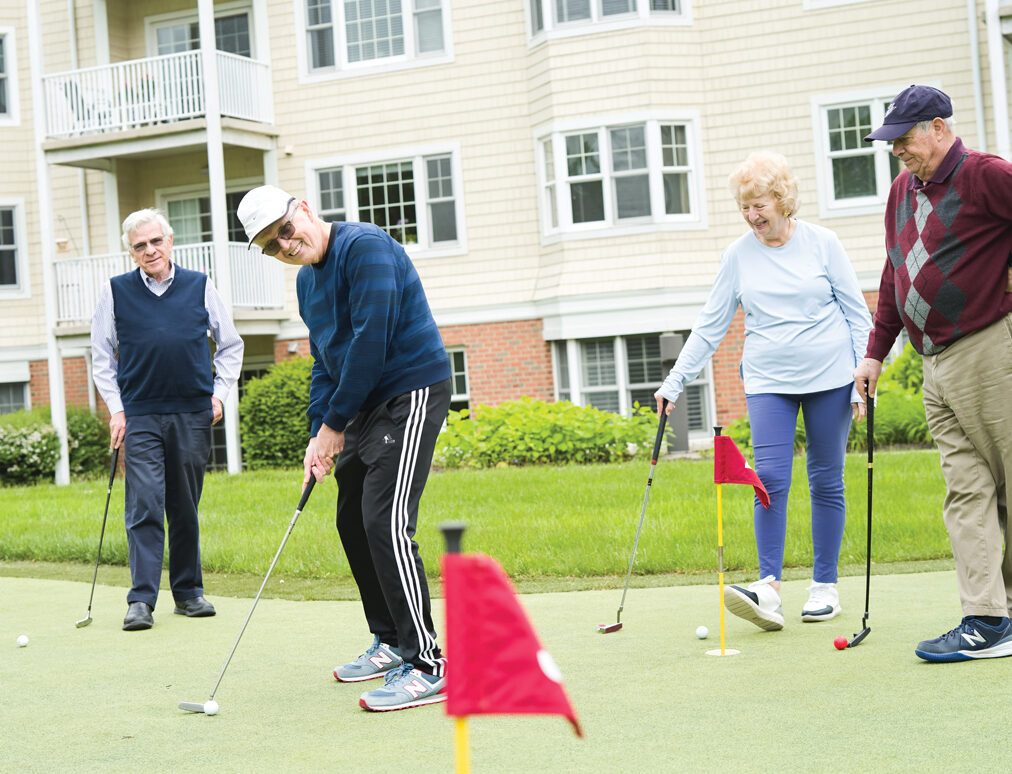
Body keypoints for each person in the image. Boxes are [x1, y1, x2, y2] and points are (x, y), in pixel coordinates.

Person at [237, 185, 452, 711]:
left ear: (305, 208)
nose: (285, 245)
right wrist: (319, 431)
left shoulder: (365, 246)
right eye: (271, 245)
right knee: (352, 520)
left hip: (410, 390)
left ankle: (428, 662)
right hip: (363, 403)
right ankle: (392, 642)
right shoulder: (308, 284)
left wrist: (336, 425)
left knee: (386, 520)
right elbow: (325, 362)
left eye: (285, 230)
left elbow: (370, 340)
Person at [654, 152, 872, 631]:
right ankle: (768, 588)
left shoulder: (823, 243)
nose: (753, 216)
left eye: (760, 205)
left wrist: (862, 382)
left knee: (825, 479)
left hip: (831, 378)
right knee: (768, 480)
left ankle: (824, 586)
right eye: (744, 207)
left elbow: (858, 315)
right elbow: (710, 327)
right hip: (769, 380)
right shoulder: (738, 255)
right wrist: (674, 383)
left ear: (782, 199)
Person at [856, 84, 1012, 662]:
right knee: (965, 492)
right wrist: (875, 352)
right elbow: (896, 273)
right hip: (934, 363)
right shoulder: (902, 189)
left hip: (991, 351)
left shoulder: (985, 175)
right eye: (891, 141)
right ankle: (987, 620)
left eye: (904, 138)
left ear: (940, 128)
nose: (896, 149)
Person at [91, 209, 244, 631]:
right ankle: (141, 599)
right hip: (139, 415)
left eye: (155, 241)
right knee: (143, 504)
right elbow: (102, 357)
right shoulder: (115, 291)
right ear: (132, 251)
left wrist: (219, 396)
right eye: (140, 245)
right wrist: (116, 409)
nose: (149, 250)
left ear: (170, 241)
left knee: (184, 504)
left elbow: (230, 345)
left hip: (192, 412)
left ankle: (189, 592)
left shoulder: (200, 285)